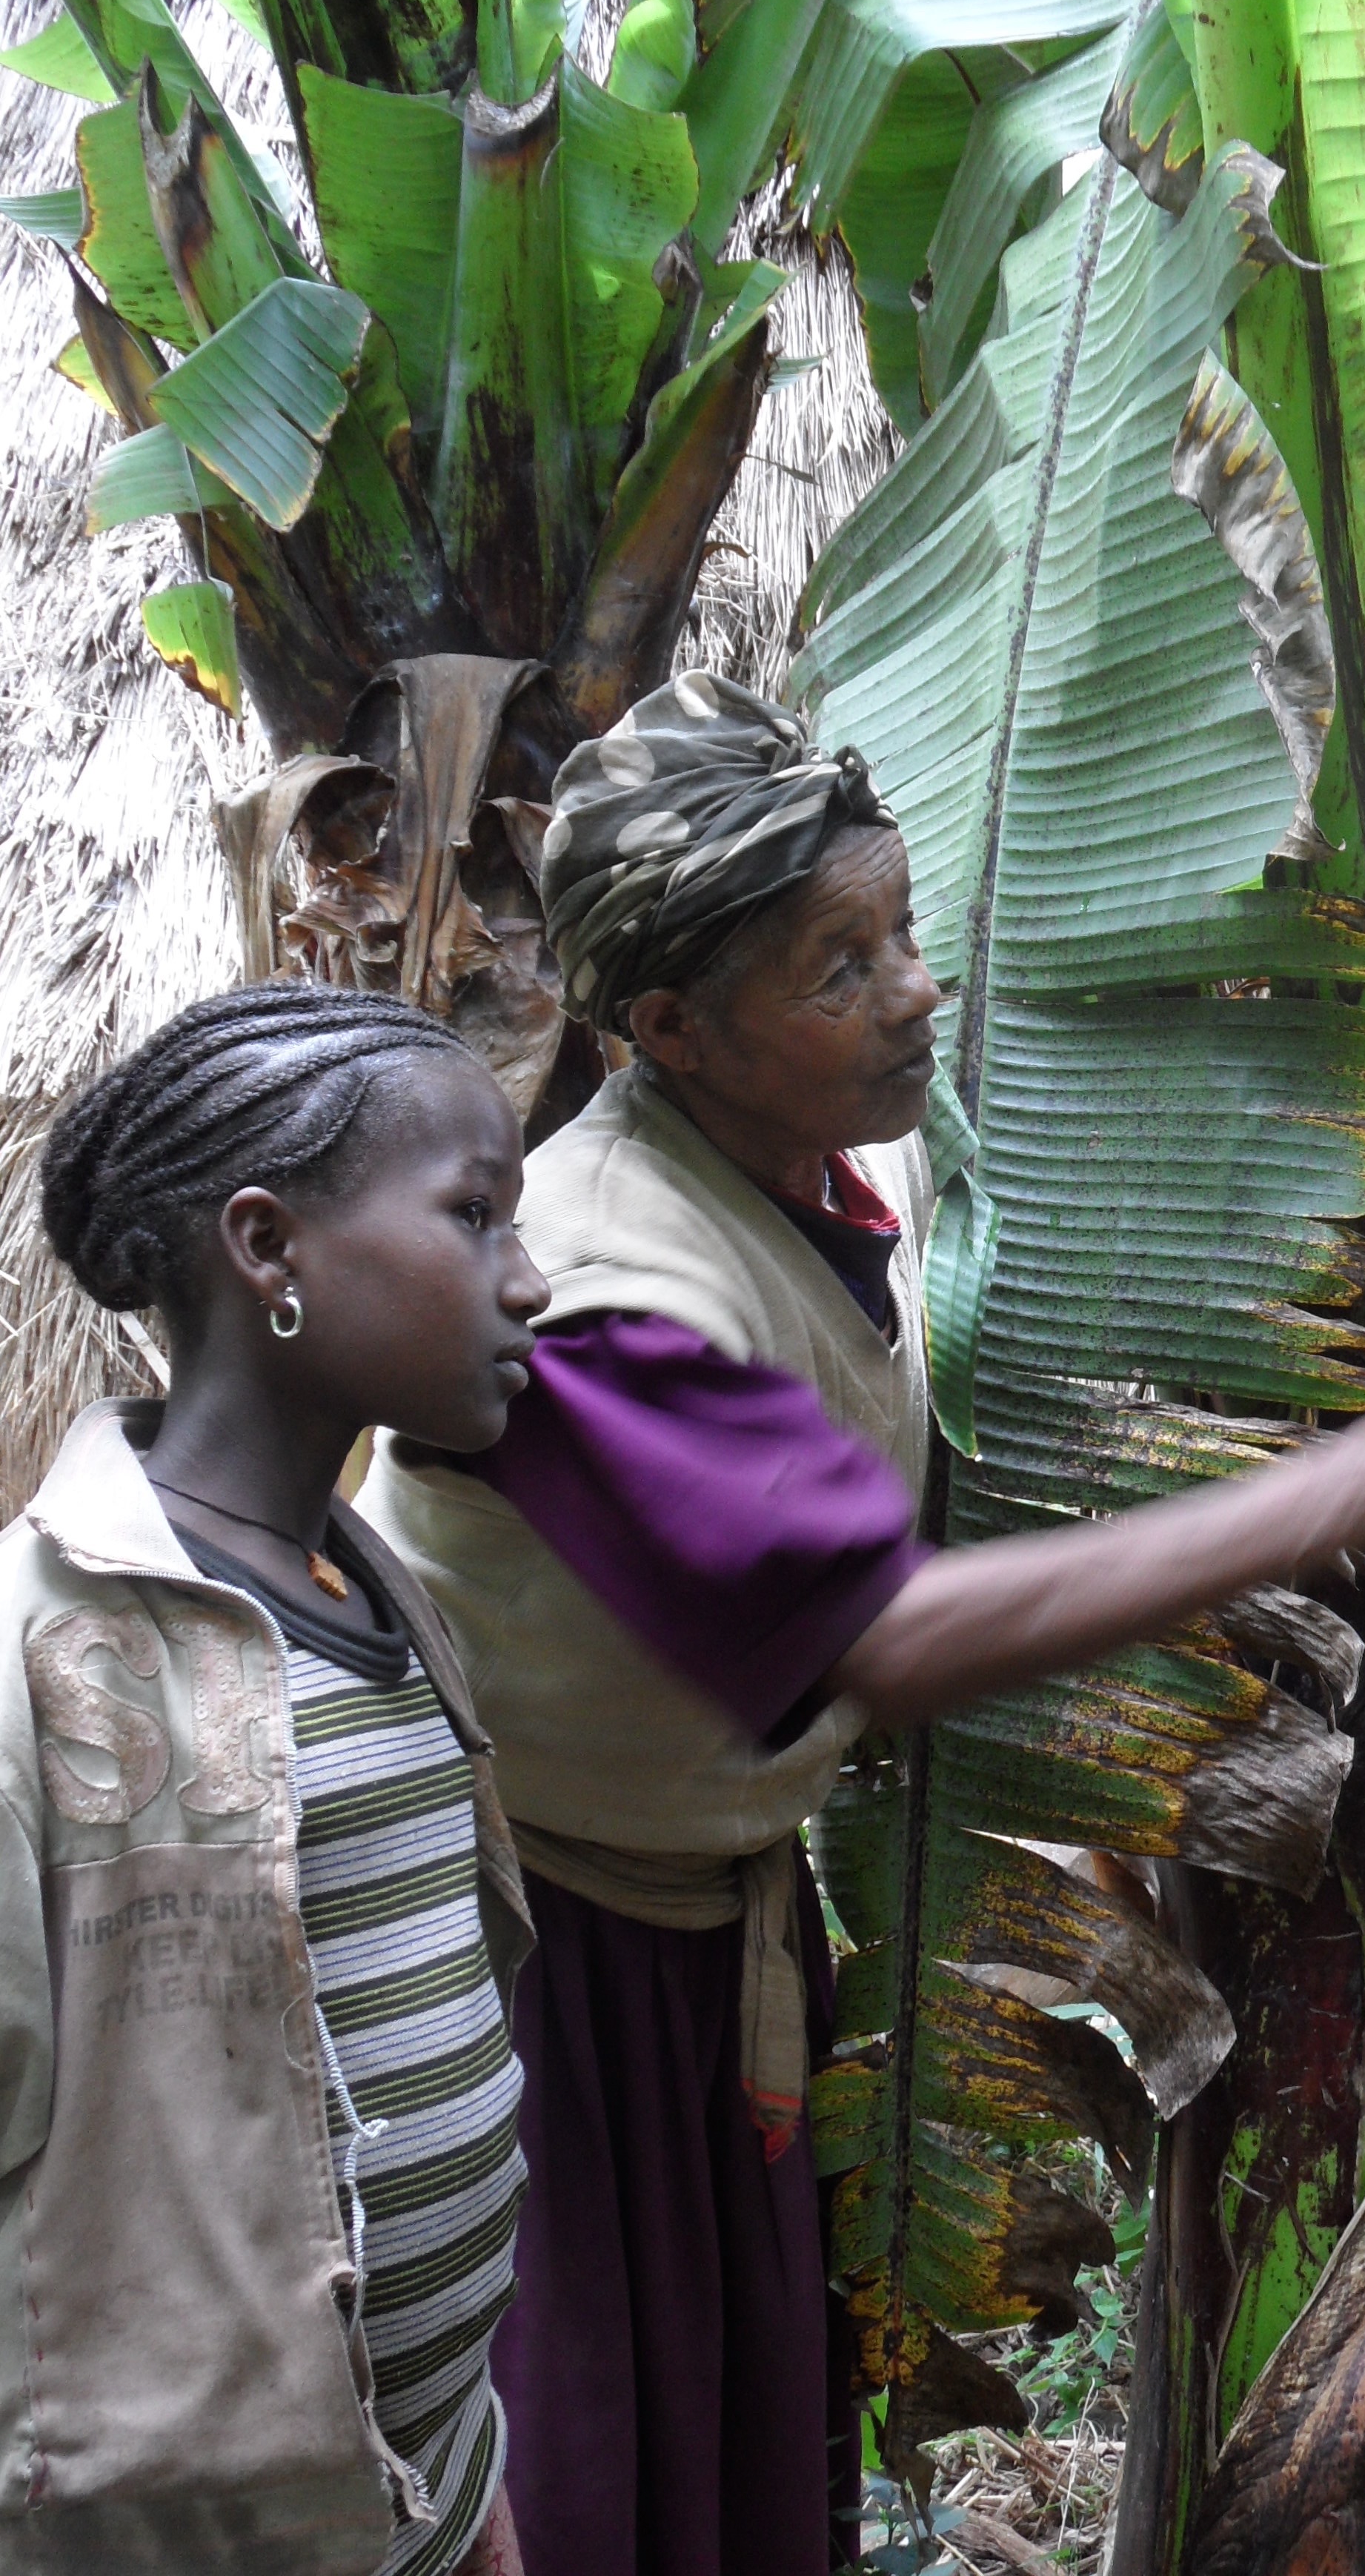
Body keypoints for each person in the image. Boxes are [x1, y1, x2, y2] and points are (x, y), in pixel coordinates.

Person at [358, 677, 1365, 2576]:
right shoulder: (606, 1301)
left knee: (731, 2450)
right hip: (541, 1968)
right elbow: (891, 1636)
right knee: (588, 2465)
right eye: (838, 963)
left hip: (707, 1932)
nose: (919, 988)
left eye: (907, 928)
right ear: (670, 1027)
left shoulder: (817, 1168)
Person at [13, 983, 549, 2575]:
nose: (529, 1279)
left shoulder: (382, 1602)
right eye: (472, 1214)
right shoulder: (44, 1656)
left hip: (430, 2486)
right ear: (269, 1247)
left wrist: (474, 2468)